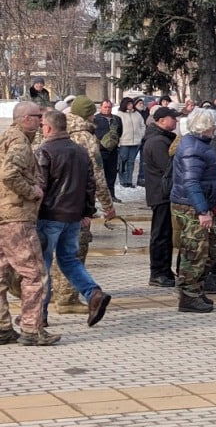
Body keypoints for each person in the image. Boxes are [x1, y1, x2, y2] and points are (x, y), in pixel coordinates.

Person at [35, 110, 112, 329]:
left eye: (43, 126)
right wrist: (87, 212)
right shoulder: (81, 151)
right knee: (69, 259)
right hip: (74, 217)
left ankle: (39, 314)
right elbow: (91, 185)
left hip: (49, 216)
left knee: (43, 265)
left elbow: (40, 187)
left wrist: (32, 214)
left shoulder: (44, 151)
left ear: (48, 128)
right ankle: (93, 293)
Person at [50, 97, 116, 314]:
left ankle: (54, 294)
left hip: (52, 204)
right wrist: (107, 205)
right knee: (74, 250)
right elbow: (96, 176)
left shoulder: (55, 131)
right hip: (76, 203)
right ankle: (67, 300)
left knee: (53, 251)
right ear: (88, 115)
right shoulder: (86, 138)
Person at [0, 103, 55, 345]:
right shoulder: (21, 143)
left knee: (1, 273)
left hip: (4, 215)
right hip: (17, 217)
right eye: (37, 117)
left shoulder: (7, 138)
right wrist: (32, 191)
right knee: (34, 274)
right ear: (24, 119)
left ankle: (3, 327)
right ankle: (32, 329)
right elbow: (9, 174)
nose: (41, 121)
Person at [169, 107, 216, 313]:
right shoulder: (193, 148)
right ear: (205, 127)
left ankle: (196, 289)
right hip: (192, 208)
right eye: (212, 124)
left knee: (209, 247)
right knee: (195, 251)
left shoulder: (199, 145)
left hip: (200, 205)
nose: (215, 128)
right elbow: (191, 182)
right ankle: (188, 296)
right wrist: (202, 211)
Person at [143, 106, 179, 287]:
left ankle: (165, 269)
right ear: (163, 120)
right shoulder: (157, 142)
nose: (177, 121)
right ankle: (157, 271)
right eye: (173, 118)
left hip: (165, 193)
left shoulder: (164, 138)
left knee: (167, 233)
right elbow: (167, 168)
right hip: (161, 193)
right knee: (160, 234)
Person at [93, 100, 121, 202]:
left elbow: (120, 132)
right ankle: (99, 195)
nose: (107, 109)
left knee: (112, 173)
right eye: (105, 107)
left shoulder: (117, 119)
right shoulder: (95, 119)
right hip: (100, 150)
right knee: (100, 174)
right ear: (101, 107)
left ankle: (111, 195)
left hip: (113, 150)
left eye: (109, 107)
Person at [115, 97, 145, 189]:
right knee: (123, 162)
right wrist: (118, 139)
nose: (131, 106)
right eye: (129, 104)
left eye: (131, 104)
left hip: (135, 142)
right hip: (123, 142)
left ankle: (129, 180)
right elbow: (116, 128)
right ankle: (123, 180)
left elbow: (142, 126)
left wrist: (140, 135)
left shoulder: (137, 114)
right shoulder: (119, 114)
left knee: (131, 162)